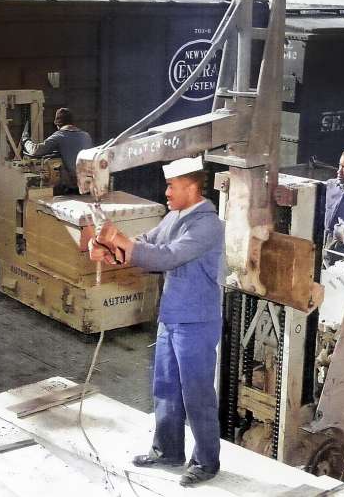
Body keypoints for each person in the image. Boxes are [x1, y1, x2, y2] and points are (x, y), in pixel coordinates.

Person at [89, 156, 224, 487]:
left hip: (196, 321)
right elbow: (148, 245)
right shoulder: (176, 216)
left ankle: (207, 461)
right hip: (172, 316)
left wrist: (122, 241)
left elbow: (168, 257)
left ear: (190, 187)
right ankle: (168, 451)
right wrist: (110, 248)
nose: (166, 192)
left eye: (171, 186)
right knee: (165, 386)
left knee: (197, 394)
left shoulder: (207, 225)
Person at [21, 107, 92, 194]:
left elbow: (35, 150)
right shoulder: (86, 136)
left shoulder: (59, 136)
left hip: (71, 188)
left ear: (58, 124)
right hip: (88, 185)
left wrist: (25, 140)